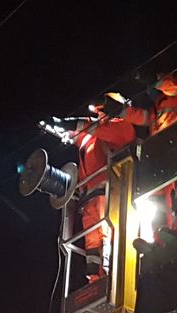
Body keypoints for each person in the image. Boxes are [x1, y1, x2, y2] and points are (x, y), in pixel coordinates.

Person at [51, 108, 136, 282]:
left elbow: (94, 128)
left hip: (108, 193)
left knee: (108, 235)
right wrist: (61, 128)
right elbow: (81, 134)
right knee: (92, 243)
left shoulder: (122, 127)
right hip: (89, 199)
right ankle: (94, 280)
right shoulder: (90, 137)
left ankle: (111, 277)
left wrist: (77, 123)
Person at [107, 73, 177, 241]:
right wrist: (121, 110)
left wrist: (150, 77)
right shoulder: (154, 111)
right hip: (159, 156)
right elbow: (138, 116)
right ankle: (158, 238)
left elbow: (171, 85)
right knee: (157, 197)